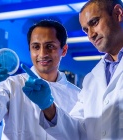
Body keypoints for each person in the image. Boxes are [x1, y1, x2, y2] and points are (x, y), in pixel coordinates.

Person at [20, 0, 123, 139]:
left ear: (118, 13)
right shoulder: (91, 80)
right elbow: (76, 131)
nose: (91, 35)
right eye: (86, 29)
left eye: (94, 22)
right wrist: (48, 107)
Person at [0, 20, 80, 140]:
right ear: (30, 49)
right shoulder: (11, 85)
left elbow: (78, 134)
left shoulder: (77, 95)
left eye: (50, 46)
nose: (42, 54)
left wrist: (48, 107)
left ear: (64, 50)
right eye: (36, 47)